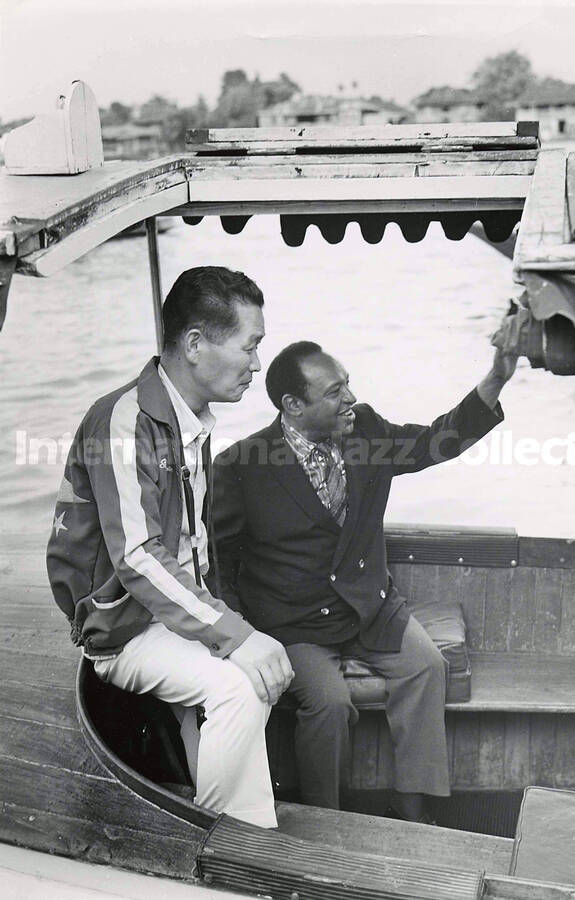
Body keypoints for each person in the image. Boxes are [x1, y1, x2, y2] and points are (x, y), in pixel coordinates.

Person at [212, 336, 516, 820]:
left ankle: (415, 811)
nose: (350, 397)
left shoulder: (366, 430)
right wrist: (240, 640)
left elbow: (438, 441)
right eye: (335, 392)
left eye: (347, 383)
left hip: (372, 608)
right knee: (330, 704)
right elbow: (219, 562)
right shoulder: (239, 466)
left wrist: (496, 378)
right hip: (294, 625)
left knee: (428, 668)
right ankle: (326, 820)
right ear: (293, 405)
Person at [46, 267, 293, 828]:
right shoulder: (125, 421)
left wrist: (233, 628)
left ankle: (251, 833)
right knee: (238, 686)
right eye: (250, 347)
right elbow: (137, 556)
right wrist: (237, 636)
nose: (257, 366)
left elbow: (195, 552)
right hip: (122, 629)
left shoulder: (190, 421)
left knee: (250, 674)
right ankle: (205, 845)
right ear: (196, 344)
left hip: (171, 614)